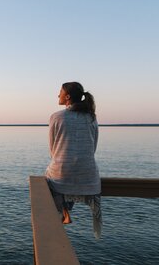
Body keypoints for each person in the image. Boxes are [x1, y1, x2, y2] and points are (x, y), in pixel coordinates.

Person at [45, 82, 102, 239]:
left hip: (62, 174)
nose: (58, 95)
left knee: (51, 176)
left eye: (60, 92)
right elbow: (93, 146)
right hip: (89, 175)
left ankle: (63, 211)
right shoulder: (91, 117)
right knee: (63, 176)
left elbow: (53, 149)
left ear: (67, 97)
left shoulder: (56, 117)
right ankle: (65, 210)